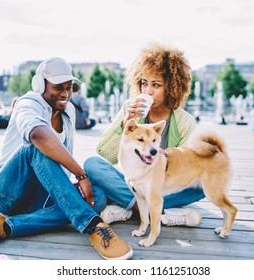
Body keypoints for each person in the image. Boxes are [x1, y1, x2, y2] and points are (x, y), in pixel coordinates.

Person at [0, 57, 133, 260]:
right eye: (58, 87)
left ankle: (7, 227)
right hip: (7, 193)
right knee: (37, 148)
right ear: (40, 85)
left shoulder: (67, 110)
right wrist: (81, 174)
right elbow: (38, 136)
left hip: (40, 197)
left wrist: (72, 184)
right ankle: (93, 225)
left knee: (97, 197)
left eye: (69, 87)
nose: (65, 93)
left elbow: (58, 159)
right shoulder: (28, 103)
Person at [84, 43, 203, 227]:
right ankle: (152, 210)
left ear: (172, 87)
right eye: (144, 83)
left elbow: (186, 169)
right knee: (92, 164)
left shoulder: (185, 122)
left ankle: (127, 208)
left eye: (156, 85)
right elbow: (104, 152)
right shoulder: (129, 109)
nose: (148, 91)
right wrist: (127, 122)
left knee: (201, 184)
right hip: (132, 182)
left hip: (164, 186)